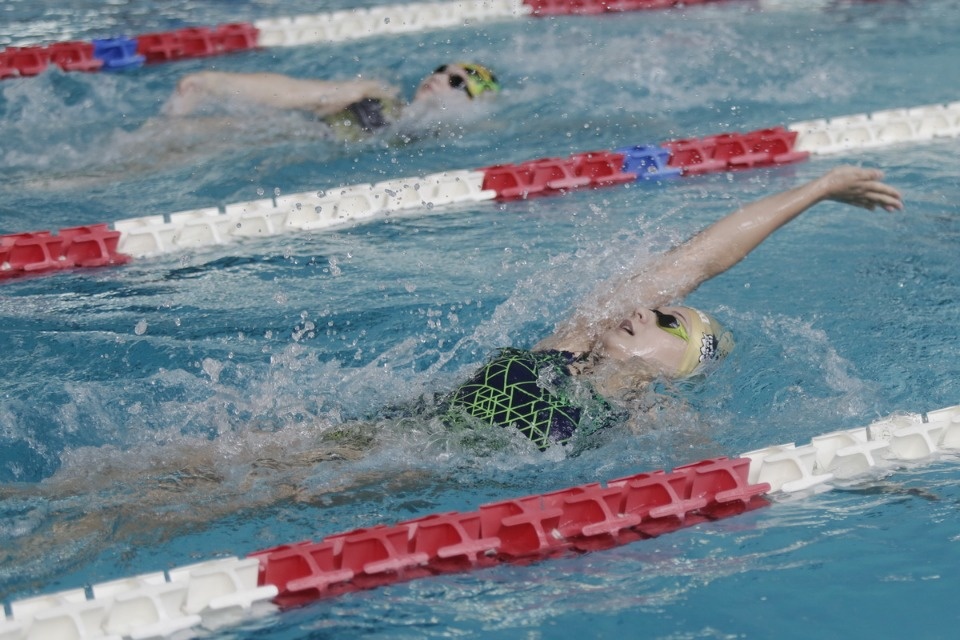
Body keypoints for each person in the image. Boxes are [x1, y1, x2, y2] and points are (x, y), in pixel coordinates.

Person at [444, 165, 904, 450]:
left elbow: (737, 471)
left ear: (682, 368)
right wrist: (820, 188)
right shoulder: (571, 343)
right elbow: (700, 258)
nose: (645, 311)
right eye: (657, 309)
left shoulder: (647, 420)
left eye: (669, 322)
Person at [163, 62, 501, 140]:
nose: (439, 77)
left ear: (472, 102)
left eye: (457, 81)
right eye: (441, 70)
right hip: (280, 132)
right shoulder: (378, 95)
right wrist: (216, 83)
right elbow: (300, 94)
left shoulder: (450, 133)